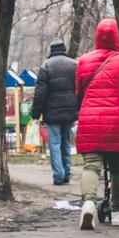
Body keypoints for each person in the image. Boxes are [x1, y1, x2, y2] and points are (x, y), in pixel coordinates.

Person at [75, 18, 119, 229]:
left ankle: (88, 203)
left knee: (91, 166)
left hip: (90, 119)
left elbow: (79, 91)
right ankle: (117, 212)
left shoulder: (84, 61)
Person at [32, 38, 79, 186]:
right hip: (70, 111)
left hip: (52, 113)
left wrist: (35, 113)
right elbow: (80, 88)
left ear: (51, 50)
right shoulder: (74, 65)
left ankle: (59, 175)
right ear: (64, 49)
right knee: (66, 143)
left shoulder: (46, 66)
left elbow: (40, 94)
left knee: (55, 144)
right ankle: (67, 173)